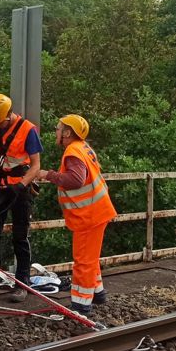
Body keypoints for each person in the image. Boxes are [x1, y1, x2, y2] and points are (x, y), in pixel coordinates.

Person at [37, 115, 116, 314]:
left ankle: (81, 304)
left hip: (89, 215)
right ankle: (97, 293)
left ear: (67, 133)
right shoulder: (83, 147)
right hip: (97, 210)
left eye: (58, 128)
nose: (55, 132)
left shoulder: (73, 151)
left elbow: (75, 180)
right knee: (91, 257)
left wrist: (48, 175)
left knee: (83, 260)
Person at [0, 93, 42, 302]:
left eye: (1, 122)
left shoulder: (27, 130)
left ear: (10, 114)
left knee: (20, 236)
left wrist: (21, 185)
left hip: (19, 190)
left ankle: (22, 283)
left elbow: (36, 164)